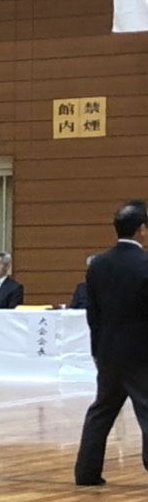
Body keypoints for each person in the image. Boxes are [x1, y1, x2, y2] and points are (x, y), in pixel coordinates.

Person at [74, 200, 148, 487]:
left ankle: (86, 472)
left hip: (108, 353)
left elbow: (93, 314)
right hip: (141, 353)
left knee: (102, 411)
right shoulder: (145, 265)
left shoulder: (98, 265)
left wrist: (96, 350)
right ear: (142, 229)